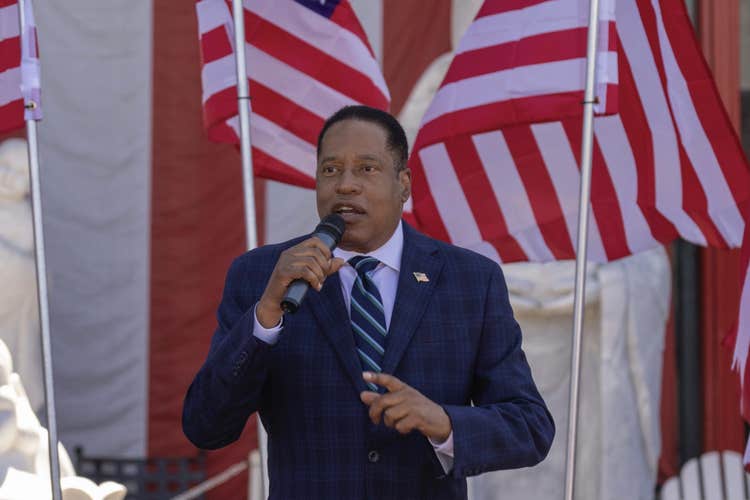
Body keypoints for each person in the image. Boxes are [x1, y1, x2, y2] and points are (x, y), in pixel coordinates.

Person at [182, 106, 554, 500]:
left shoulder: (470, 280)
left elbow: (529, 426)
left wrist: (444, 422)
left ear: (403, 184)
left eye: (366, 168)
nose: (345, 185)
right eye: (330, 170)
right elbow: (206, 425)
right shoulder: (262, 275)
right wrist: (266, 317)